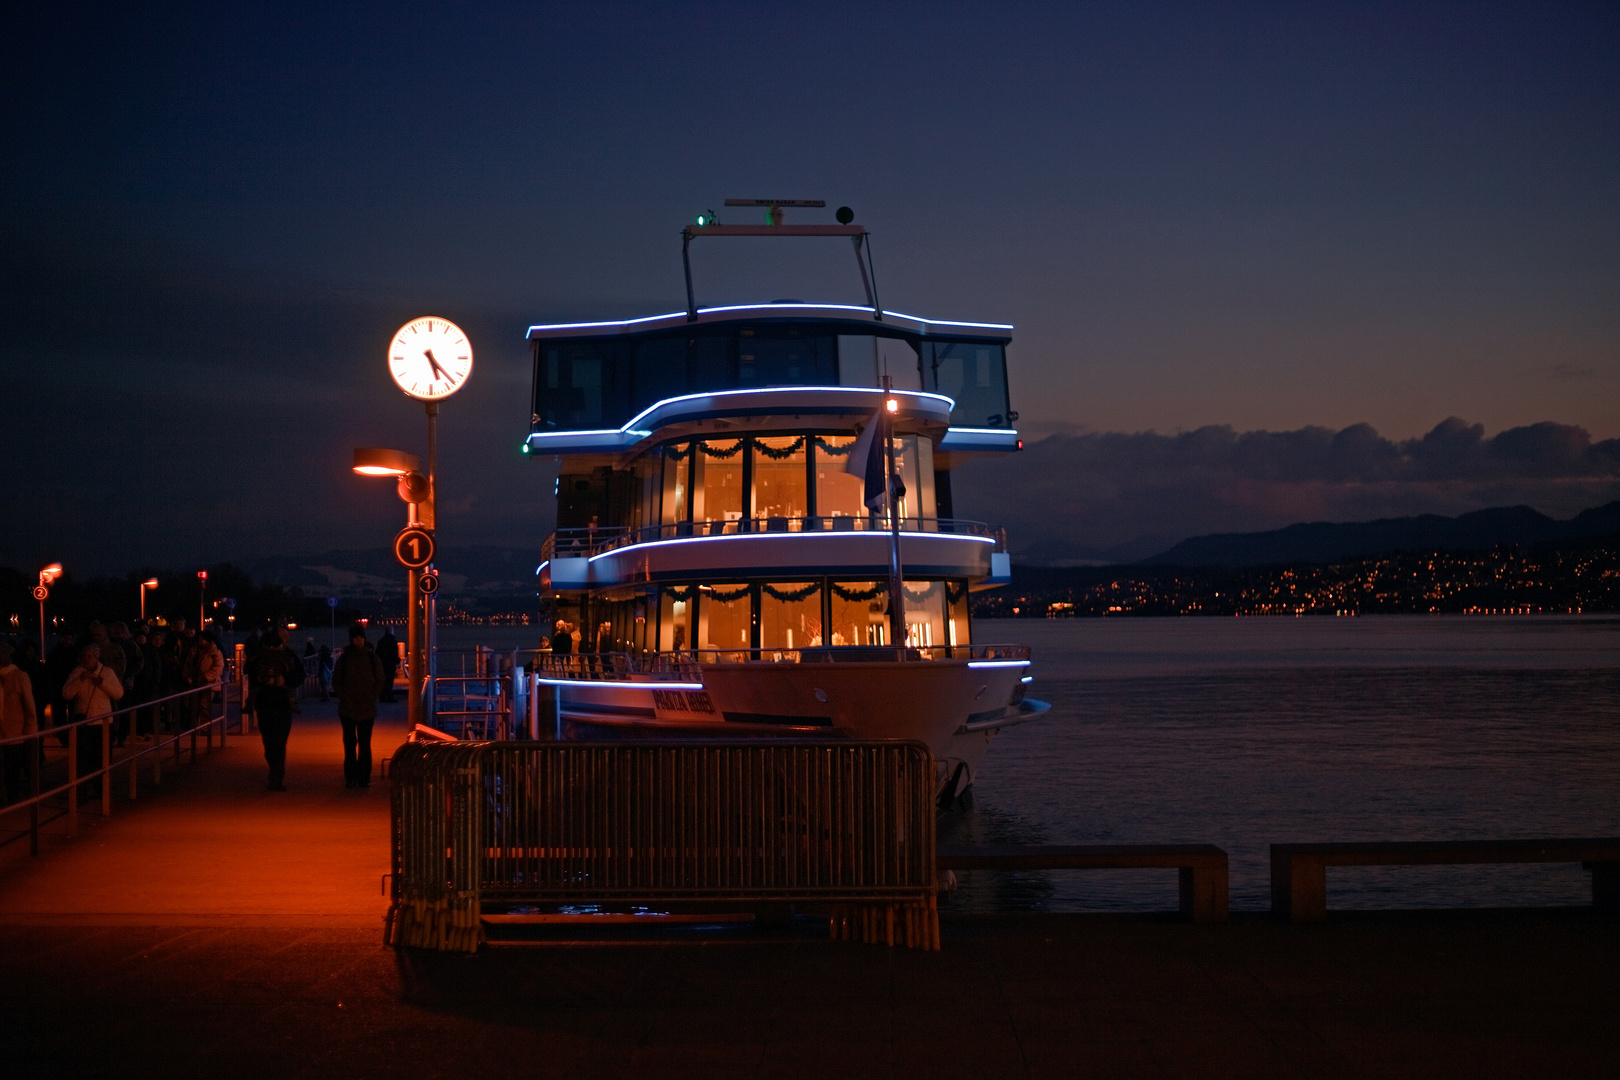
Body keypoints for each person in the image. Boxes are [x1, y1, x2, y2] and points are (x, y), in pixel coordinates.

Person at [62, 644, 123, 800]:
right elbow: (66, 694)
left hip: (102, 722)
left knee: (101, 758)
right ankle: (80, 790)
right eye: (84, 656)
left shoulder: (107, 672)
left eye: (89, 656)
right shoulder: (77, 672)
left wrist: (102, 683)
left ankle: (101, 790)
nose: (86, 659)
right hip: (82, 721)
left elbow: (118, 693)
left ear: (96, 657)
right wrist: (79, 681)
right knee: (82, 759)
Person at [246, 627, 303, 791]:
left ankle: (277, 775)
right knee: (269, 741)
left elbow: (299, 676)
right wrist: (260, 678)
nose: (287, 639)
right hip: (265, 704)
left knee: (279, 741)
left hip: (282, 704)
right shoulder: (259, 657)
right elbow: (251, 673)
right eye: (283, 636)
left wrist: (285, 680)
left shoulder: (289, 656)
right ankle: (274, 768)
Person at [331, 625, 386, 788]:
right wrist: (345, 697)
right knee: (349, 744)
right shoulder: (345, 658)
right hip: (348, 708)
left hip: (366, 707)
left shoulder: (371, 658)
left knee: (364, 743)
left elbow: (380, 679)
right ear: (351, 639)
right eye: (356, 638)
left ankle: (363, 776)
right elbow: (336, 681)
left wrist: (371, 696)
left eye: (361, 638)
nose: (359, 641)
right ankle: (350, 776)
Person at [0, 642, 39, 805]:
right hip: (4, 731)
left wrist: (31, 731)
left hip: (13, 732)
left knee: (11, 769)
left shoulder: (20, 676)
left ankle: (12, 799)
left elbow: (30, 707)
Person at [375, 629, 399, 703]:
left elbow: (377, 653)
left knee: (384, 681)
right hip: (390, 664)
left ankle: (383, 696)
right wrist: (397, 661)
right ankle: (389, 696)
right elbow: (394, 653)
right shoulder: (393, 641)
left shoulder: (381, 641)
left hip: (383, 664)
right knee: (389, 681)